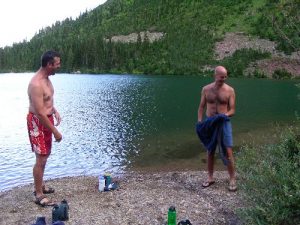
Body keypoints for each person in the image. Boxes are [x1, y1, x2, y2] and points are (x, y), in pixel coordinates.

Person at [27, 50, 63, 206]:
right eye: (57, 64)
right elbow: (40, 112)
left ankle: (40, 185)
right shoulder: (36, 84)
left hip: (46, 119)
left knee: (45, 155)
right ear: (49, 65)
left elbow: (47, 101)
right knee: (40, 158)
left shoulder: (47, 79)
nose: (59, 66)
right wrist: (55, 131)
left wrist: (54, 110)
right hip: (38, 121)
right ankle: (38, 194)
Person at [197, 65, 237, 191]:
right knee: (210, 150)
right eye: (221, 77)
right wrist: (199, 122)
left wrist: (223, 116)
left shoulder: (230, 90)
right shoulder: (206, 89)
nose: (223, 79)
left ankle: (232, 178)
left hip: (223, 122)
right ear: (215, 75)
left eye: (225, 77)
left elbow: (232, 110)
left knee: (228, 150)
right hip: (209, 123)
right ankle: (210, 177)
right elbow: (201, 107)